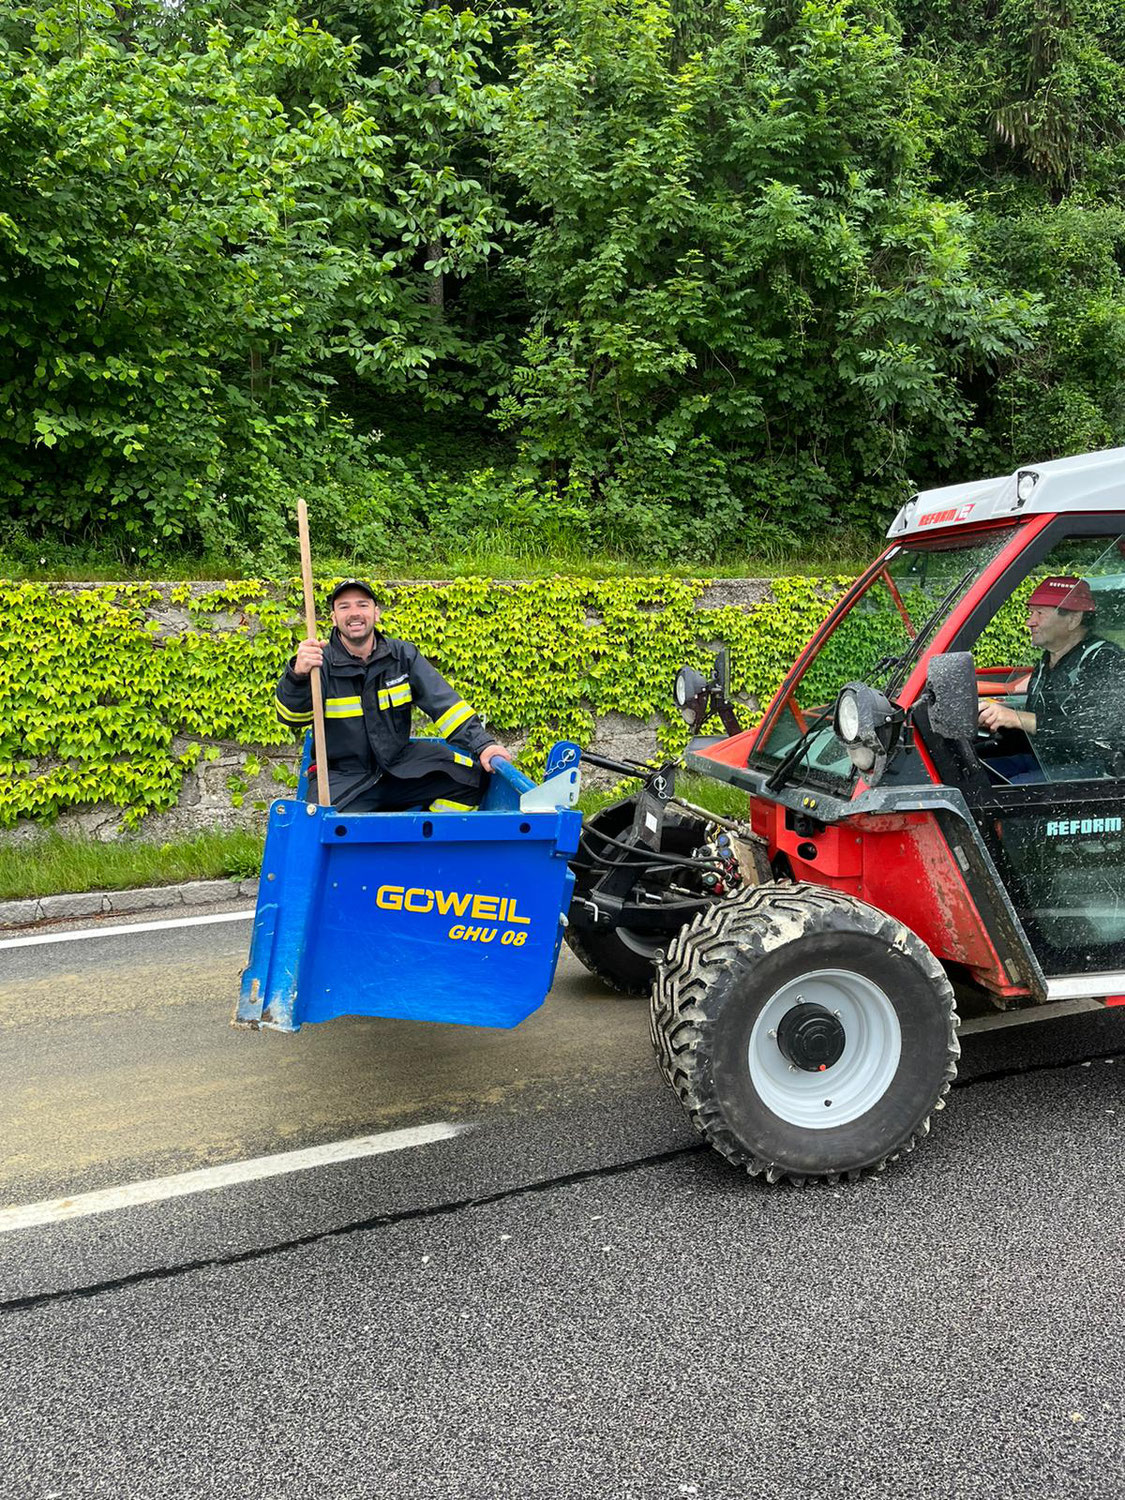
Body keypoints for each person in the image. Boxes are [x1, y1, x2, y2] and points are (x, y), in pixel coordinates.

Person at [276, 579, 512, 811]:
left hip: (401, 766)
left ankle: (426, 841)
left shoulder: (402, 656)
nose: (354, 613)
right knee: (324, 827)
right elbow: (291, 717)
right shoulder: (320, 662)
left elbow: (446, 705)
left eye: (362, 604)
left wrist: (483, 745)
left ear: (376, 613)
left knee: (472, 781)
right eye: (344, 607)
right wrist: (298, 675)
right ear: (334, 618)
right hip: (342, 779)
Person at [978, 574, 1125, 776]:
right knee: (979, 775)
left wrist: (1016, 717)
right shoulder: (1046, 662)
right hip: (1044, 760)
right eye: (1031, 613)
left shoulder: (1104, 659)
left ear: (1074, 619)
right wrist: (995, 719)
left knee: (1016, 789)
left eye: (1040, 613)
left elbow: (1093, 728)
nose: (1030, 622)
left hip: (1096, 770)